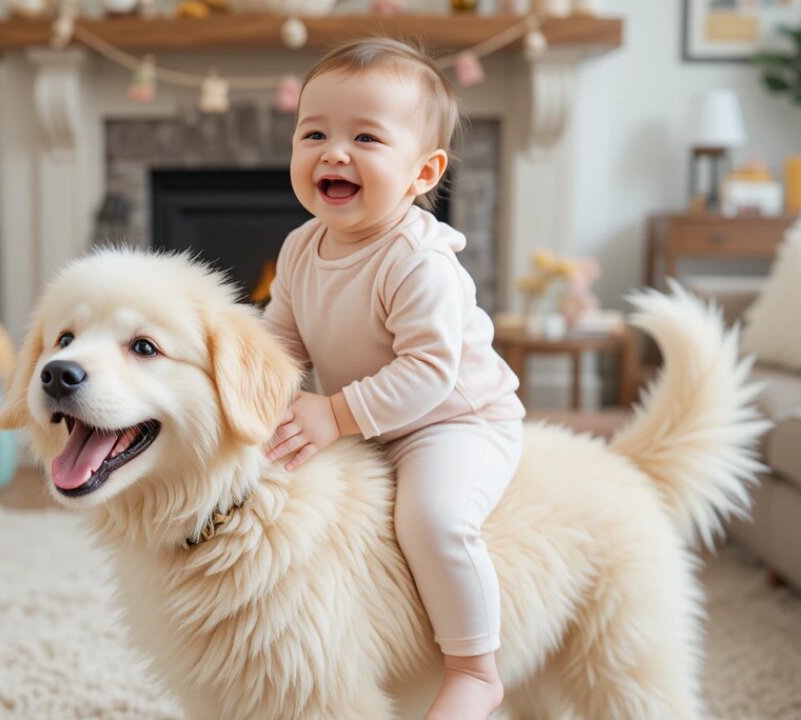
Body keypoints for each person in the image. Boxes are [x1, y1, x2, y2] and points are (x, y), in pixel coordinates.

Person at [262, 37, 527, 720]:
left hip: (453, 421)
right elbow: (282, 341)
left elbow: (428, 374)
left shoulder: (417, 261)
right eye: (313, 132)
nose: (334, 152)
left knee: (431, 518)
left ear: (422, 172)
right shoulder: (299, 247)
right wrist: (250, 388)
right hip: (369, 416)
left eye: (366, 137)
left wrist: (333, 415)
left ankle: (475, 667)